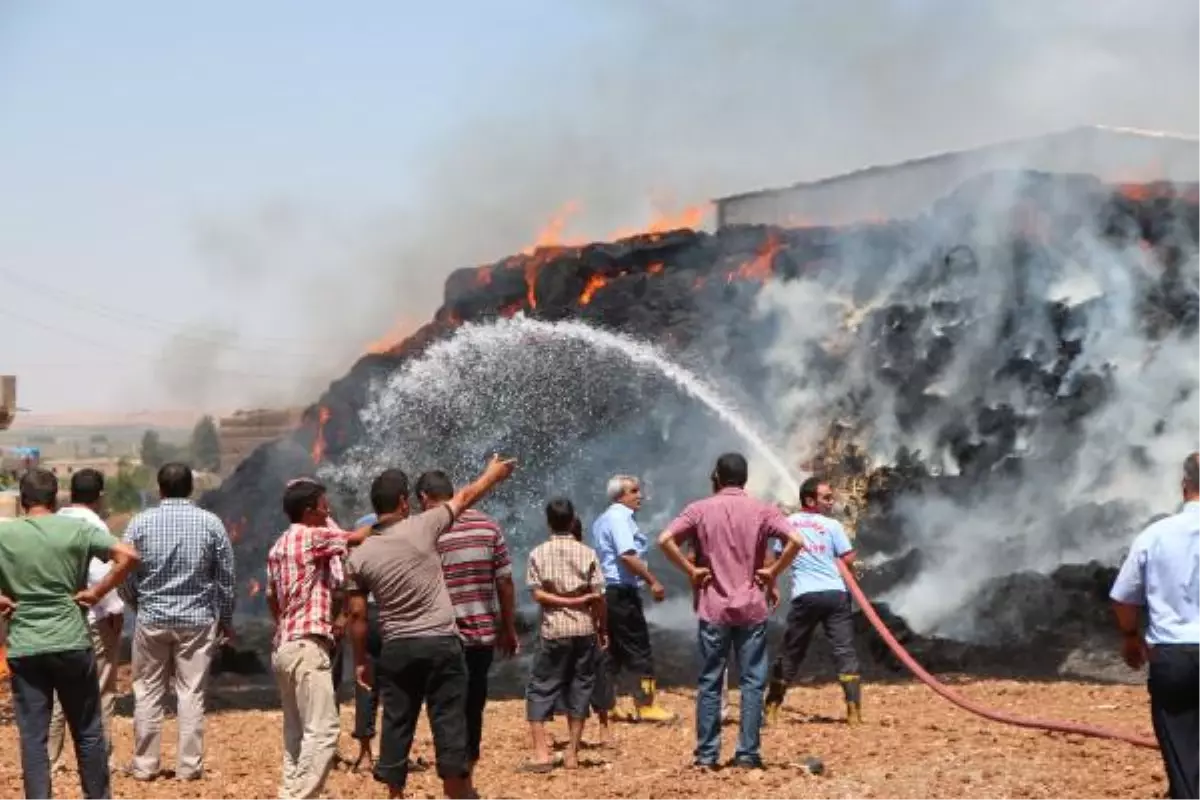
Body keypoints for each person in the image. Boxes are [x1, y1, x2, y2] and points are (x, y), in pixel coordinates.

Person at [344, 454, 516, 800]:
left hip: (396, 648)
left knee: (397, 721)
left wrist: (361, 660)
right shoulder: (423, 526)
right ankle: (458, 792)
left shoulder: (359, 556)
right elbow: (466, 497)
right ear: (406, 502)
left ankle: (395, 793)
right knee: (449, 720)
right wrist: (492, 475)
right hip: (440, 644)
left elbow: (357, 617)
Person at [658, 453, 805, 770]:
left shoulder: (699, 509)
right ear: (745, 479)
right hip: (752, 608)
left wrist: (690, 570)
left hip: (713, 608)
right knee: (753, 682)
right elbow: (795, 539)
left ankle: (707, 755)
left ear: (718, 477)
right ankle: (748, 754)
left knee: (710, 681)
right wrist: (774, 570)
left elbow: (665, 539)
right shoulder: (763, 510)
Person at [0, 468, 140, 800]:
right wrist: (97, 592)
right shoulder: (76, 529)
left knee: (34, 737)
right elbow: (129, 556)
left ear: (22, 501)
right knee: (88, 731)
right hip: (71, 640)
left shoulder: (5, 535)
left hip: (25, 644)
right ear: (55, 498)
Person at [266, 477, 393, 800]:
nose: (329, 509)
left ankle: (291, 789)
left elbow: (271, 596)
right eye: (324, 505)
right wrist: (391, 516)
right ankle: (301, 797)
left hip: (286, 645)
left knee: (297, 732)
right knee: (323, 730)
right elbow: (356, 538)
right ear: (310, 511)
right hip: (308, 646)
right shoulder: (312, 537)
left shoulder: (280, 543)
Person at [119, 462, 236, 782]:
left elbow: (123, 572)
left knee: (147, 693)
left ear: (160, 489)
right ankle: (189, 767)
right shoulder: (210, 523)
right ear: (190, 489)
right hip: (197, 621)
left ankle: (144, 766)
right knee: (192, 693)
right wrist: (225, 619)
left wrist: (137, 603)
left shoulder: (139, 524)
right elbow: (225, 578)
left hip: (152, 618)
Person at [415, 470, 519, 773]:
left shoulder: (425, 530)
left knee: (442, 699)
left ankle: (450, 762)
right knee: (474, 697)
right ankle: (469, 761)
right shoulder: (488, 526)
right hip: (481, 632)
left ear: (423, 498)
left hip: (441, 633)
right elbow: (505, 582)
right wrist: (507, 627)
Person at [1110, 452, 1200, 800]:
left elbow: (1123, 598)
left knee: (1181, 751)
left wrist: (1131, 638)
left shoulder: (1155, 535)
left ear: (1183, 487)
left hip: (1173, 658)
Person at [764, 477, 862, 725]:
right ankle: (854, 711)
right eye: (826, 497)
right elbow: (848, 558)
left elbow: (775, 559)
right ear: (810, 500)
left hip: (805, 596)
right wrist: (837, 564)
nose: (832, 502)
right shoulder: (832, 526)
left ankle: (773, 708)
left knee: (791, 651)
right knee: (844, 650)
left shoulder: (787, 524)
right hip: (835, 594)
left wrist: (772, 585)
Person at [47, 469, 127, 771]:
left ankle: (51, 759)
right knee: (102, 690)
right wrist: (114, 608)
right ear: (100, 496)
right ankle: (99, 759)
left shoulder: (54, 522)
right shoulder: (93, 525)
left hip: (58, 621)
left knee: (58, 691)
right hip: (93, 618)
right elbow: (99, 573)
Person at [524, 497, 608, 772]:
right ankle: (572, 752)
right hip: (584, 628)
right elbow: (598, 597)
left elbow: (536, 593)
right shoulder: (588, 553)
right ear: (573, 521)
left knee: (541, 686)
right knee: (581, 686)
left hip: (554, 629)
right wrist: (602, 627)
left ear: (548, 522)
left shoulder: (538, 553)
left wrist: (562, 602)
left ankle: (541, 753)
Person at [590, 475, 673, 722]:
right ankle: (645, 705)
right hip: (621, 590)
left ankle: (607, 703)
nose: (640, 496)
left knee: (613, 649)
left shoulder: (604, 518)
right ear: (620, 495)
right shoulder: (619, 518)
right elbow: (627, 555)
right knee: (639, 646)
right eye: (634, 491)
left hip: (609, 591)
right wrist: (653, 581)